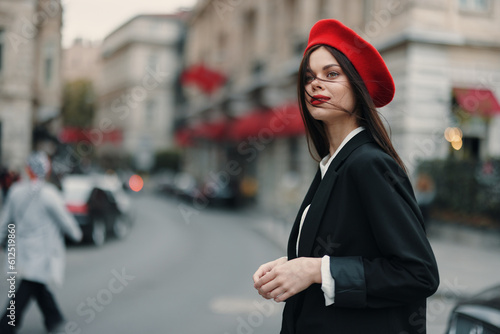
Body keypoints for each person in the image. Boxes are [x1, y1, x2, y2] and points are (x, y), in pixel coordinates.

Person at [253, 19, 439, 333]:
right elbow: (349, 251)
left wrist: (316, 270)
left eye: (331, 74)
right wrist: (295, 266)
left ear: (358, 85)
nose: (315, 84)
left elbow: (418, 273)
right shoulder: (331, 164)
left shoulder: (369, 163)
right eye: (309, 76)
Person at [0, 151, 82, 334]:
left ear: (28, 169)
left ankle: (53, 319)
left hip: (21, 250)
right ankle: (7, 324)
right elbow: (65, 220)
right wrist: (76, 234)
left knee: (35, 284)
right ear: (46, 169)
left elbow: (4, 222)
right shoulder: (49, 194)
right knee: (31, 284)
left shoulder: (15, 192)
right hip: (42, 252)